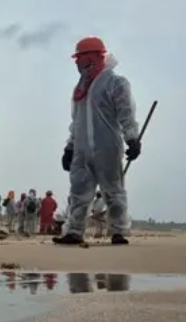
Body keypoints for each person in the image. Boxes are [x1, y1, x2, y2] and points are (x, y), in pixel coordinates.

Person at [54, 36, 140, 246]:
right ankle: (74, 231)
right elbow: (77, 121)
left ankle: (118, 231)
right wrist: (70, 146)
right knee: (78, 192)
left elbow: (126, 113)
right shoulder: (80, 89)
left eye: (79, 58)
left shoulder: (115, 83)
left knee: (113, 190)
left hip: (107, 146)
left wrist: (132, 138)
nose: (76, 63)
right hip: (82, 150)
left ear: (92, 57)